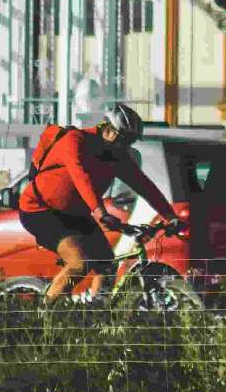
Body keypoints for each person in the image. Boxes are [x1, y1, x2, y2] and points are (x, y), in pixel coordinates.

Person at [19, 102, 182, 305]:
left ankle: (97, 313)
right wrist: (100, 212)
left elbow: (144, 185)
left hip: (75, 213)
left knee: (106, 264)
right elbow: (81, 177)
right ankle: (43, 320)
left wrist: (170, 215)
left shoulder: (116, 155)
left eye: (130, 141)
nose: (126, 146)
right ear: (108, 129)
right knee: (80, 263)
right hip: (41, 210)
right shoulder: (74, 140)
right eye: (124, 139)